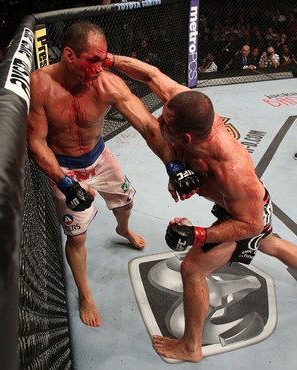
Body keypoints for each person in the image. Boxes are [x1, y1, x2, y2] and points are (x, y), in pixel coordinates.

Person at [111, 55, 297, 362]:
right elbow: (151, 74)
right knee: (270, 244)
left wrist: (197, 234)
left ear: (185, 136)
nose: (159, 121)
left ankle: (191, 346)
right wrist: (110, 59)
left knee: (193, 268)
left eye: (165, 123)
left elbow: (249, 225)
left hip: (245, 216)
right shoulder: (187, 107)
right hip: (248, 209)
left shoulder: (232, 171)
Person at [27, 21, 200, 328]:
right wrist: (64, 182)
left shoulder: (108, 84)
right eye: (91, 60)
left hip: (100, 158)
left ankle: (123, 229)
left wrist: (174, 166)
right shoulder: (40, 86)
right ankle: (85, 295)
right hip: (64, 167)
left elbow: (148, 126)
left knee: (126, 203)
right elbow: (37, 142)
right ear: (68, 55)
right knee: (77, 237)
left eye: (103, 60)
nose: (98, 68)